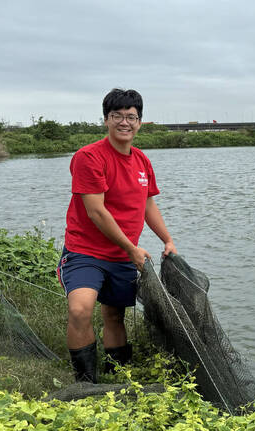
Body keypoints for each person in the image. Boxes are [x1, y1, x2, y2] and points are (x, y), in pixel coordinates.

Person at [57, 88, 177, 383]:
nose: (125, 122)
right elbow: (96, 211)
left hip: (122, 256)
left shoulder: (142, 162)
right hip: (85, 252)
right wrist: (132, 248)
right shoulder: (89, 157)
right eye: (117, 116)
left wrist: (167, 240)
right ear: (106, 120)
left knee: (114, 315)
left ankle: (117, 375)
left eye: (131, 117)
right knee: (80, 309)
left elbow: (147, 203)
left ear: (139, 122)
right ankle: (85, 381)